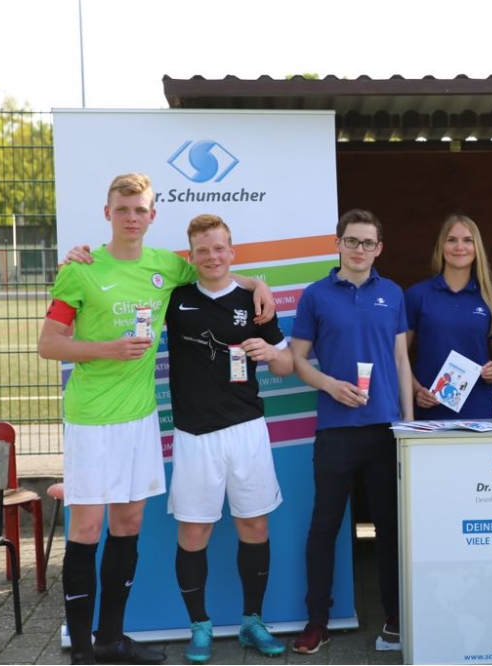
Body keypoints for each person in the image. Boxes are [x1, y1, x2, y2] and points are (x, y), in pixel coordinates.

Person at [38, 173, 273, 665]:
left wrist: (260, 284)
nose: (131, 218)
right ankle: (82, 650)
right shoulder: (80, 269)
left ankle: (111, 640)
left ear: (152, 215)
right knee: (87, 529)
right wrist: (109, 349)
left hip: (140, 417)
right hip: (91, 418)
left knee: (128, 524)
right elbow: (49, 344)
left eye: (140, 210)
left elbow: (217, 273)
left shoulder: (167, 266)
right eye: (123, 209)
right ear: (107, 213)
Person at [165, 215, 295, 662]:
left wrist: (271, 351)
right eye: (203, 250)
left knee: (254, 526)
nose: (212, 257)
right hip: (194, 434)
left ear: (232, 252)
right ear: (191, 256)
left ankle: (252, 622)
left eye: (219, 248)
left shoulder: (253, 302)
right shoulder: (175, 297)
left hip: (246, 431)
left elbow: (286, 365)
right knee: (194, 530)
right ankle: (199, 627)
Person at [289, 209, 414, 654]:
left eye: (368, 243)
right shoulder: (315, 295)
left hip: (384, 428)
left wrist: (408, 425)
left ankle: (396, 616)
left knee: (390, 528)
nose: (359, 249)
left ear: (379, 248)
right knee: (324, 527)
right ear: (337, 243)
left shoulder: (393, 293)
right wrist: (329, 385)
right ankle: (317, 622)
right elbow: (297, 359)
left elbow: (401, 360)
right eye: (352, 241)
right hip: (336, 429)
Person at [405, 214, 492, 419]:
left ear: (476, 248)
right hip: (429, 411)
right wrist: (416, 390)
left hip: (479, 413)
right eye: (451, 240)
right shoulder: (417, 296)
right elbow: (397, 356)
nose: (459, 247)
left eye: (467, 240)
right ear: (441, 246)